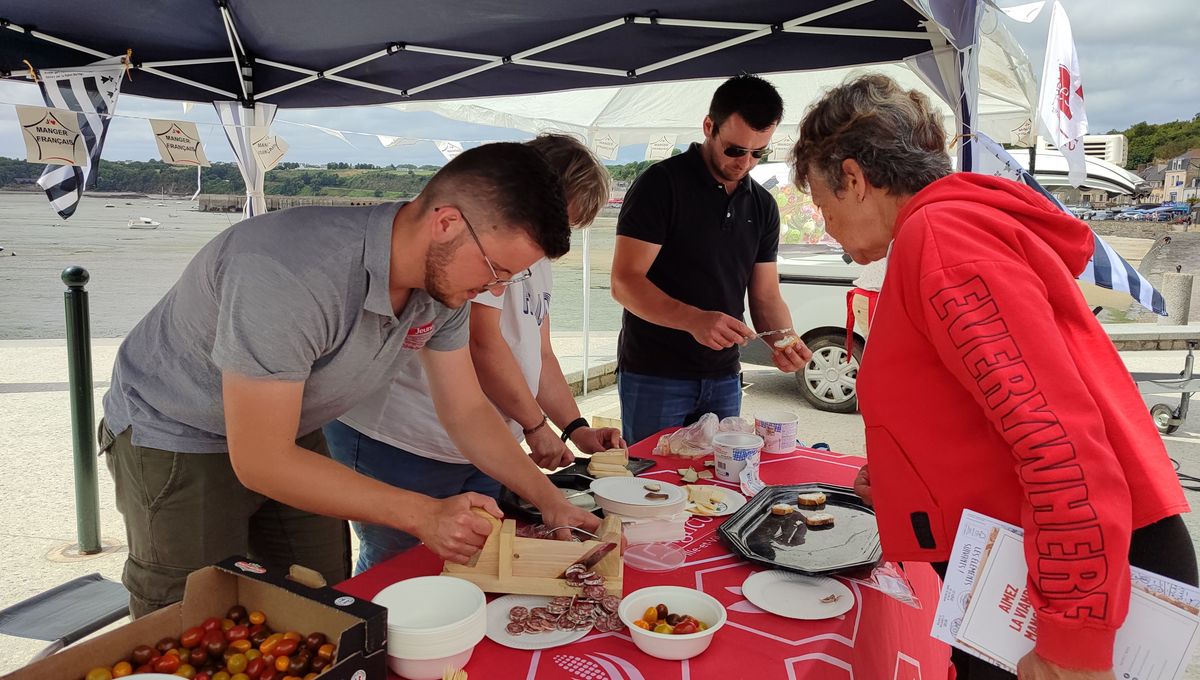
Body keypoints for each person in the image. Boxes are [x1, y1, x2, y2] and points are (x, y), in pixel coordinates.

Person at [792, 74, 1195, 680]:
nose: (826, 228)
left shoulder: (944, 237)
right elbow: (978, 407)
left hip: (1075, 577)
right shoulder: (951, 228)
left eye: (824, 207)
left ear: (854, 178)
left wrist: (1074, 633)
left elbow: (1055, 437)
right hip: (1034, 563)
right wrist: (907, 479)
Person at [99, 142, 598, 617]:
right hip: (178, 433)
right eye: (496, 269)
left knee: (319, 591)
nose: (494, 288)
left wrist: (549, 499)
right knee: (196, 611)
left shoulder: (443, 289)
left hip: (291, 426)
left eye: (507, 280)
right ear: (445, 223)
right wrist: (424, 515)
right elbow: (262, 460)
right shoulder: (289, 272)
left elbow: (466, 410)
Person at [326, 134, 624, 573]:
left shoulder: (529, 258)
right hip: (404, 438)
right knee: (399, 567)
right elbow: (483, 347)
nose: (552, 245)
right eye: (556, 223)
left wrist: (574, 427)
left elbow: (537, 353)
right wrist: (535, 426)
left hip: (482, 445)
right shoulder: (471, 256)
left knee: (475, 564)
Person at [610, 74, 811, 445]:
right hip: (655, 373)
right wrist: (693, 320)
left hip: (723, 376)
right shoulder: (661, 184)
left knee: (718, 486)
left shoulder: (763, 205)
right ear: (708, 127)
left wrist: (784, 340)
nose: (745, 163)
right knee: (652, 483)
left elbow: (765, 296)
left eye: (759, 153)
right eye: (735, 150)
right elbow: (625, 281)